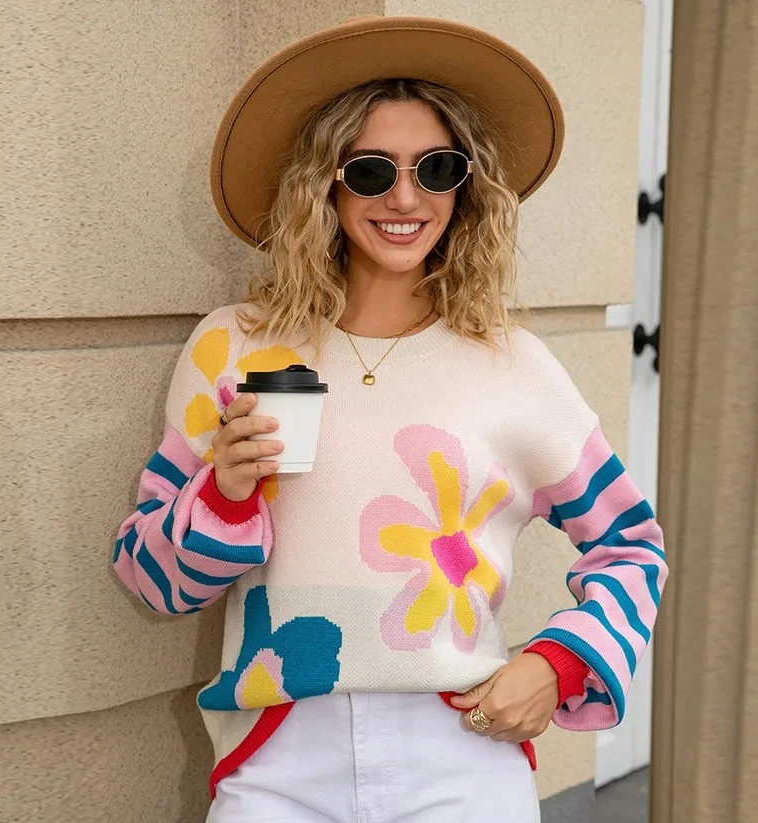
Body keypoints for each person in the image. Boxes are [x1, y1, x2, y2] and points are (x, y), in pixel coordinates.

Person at [112, 15, 667, 823]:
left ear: (463, 186)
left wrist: (556, 661)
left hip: (460, 754)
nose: (404, 197)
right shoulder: (234, 346)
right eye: (370, 171)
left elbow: (631, 545)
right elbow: (151, 581)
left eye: (434, 167)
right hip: (276, 758)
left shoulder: (512, 364)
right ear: (324, 185)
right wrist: (224, 492)